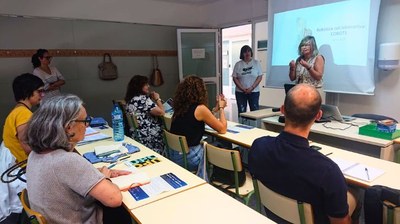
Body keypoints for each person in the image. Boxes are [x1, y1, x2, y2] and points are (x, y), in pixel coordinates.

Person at [249, 84, 357, 224]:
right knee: (355, 193)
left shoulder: (258, 146)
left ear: (282, 110)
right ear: (318, 115)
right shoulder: (328, 171)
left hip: (273, 217)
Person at [26, 94, 132, 224]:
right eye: (85, 121)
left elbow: (65, 177)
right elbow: (114, 199)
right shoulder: (66, 161)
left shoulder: (35, 155)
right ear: (69, 127)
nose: (87, 125)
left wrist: (96, 173)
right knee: (122, 211)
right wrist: (105, 178)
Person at [170, 76, 227, 174]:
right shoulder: (200, 109)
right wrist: (221, 108)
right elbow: (222, 129)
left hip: (174, 154)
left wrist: (215, 109)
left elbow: (201, 118)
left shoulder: (180, 108)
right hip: (189, 157)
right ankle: (223, 174)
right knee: (221, 145)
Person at [3, 73, 44, 163]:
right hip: (22, 166)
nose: (42, 95)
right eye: (39, 91)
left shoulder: (18, 110)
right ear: (27, 91)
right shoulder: (23, 113)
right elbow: (25, 143)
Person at [125, 75, 165, 154]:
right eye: (146, 84)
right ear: (139, 86)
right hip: (150, 137)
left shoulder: (131, 99)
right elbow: (162, 112)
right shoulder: (143, 99)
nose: (148, 86)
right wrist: (157, 99)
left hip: (137, 135)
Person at [232, 45, 263, 114]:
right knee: (242, 111)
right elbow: (235, 78)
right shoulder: (238, 64)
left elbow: (259, 77)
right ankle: (241, 124)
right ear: (242, 54)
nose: (247, 53)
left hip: (254, 92)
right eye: (245, 52)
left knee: (255, 111)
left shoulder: (256, 63)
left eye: (248, 51)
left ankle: (254, 125)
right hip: (240, 92)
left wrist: (252, 88)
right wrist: (242, 89)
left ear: (251, 52)